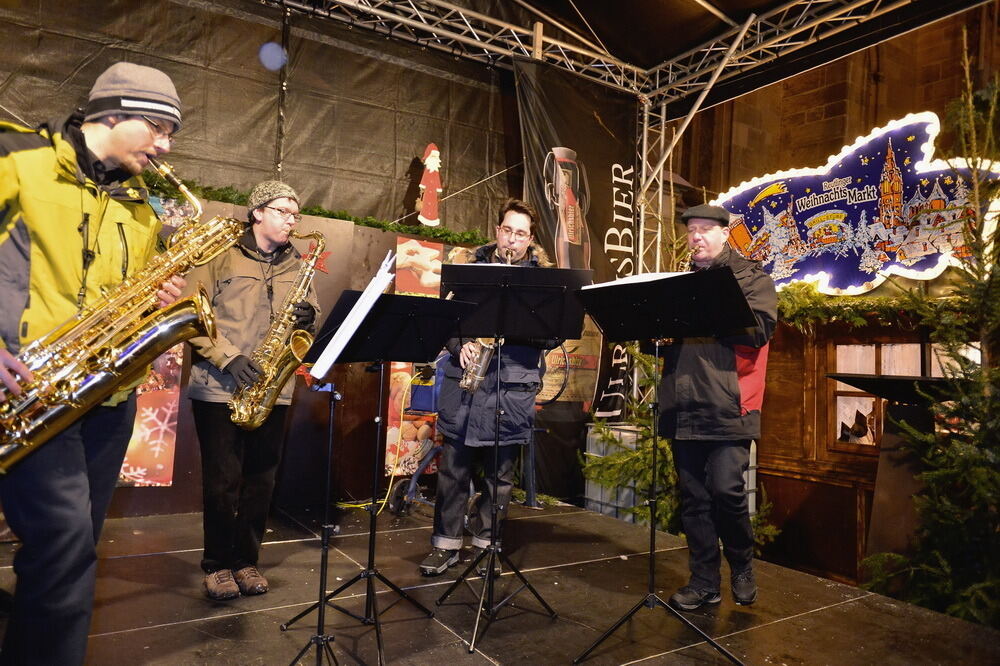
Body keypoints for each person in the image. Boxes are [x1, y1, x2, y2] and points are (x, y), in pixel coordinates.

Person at [0, 62, 186, 664]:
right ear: (111, 111)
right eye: (158, 127)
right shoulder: (17, 160)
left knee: (68, 551)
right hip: (34, 388)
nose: (165, 146)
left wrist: (156, 303)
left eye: (172, 134)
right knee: (64, 543)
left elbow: (121, 297)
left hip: (105, 400)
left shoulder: (142, 208)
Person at [185, 180, 320, 600]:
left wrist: (308, 314)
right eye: (283, 211)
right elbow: (191, 313)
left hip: (272, 388)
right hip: (219, 385)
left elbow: (310, 324)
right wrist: (227, 356)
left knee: (261, 481)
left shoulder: (298, 264)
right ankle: (218, 565)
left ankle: (246, 561)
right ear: (258, 211)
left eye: (295, 214)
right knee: (222, 481)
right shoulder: (219, 255)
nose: (291, 220)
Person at [420, 198, 557, 576]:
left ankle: (487, 546)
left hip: (511, 387)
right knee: (453, 470)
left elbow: (552, 337)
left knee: (499, 476)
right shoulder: (467, 270)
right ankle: (445, 545)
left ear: (531, 240)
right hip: (465, 384)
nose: (512, 240)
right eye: (507, 231)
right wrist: (457, 343)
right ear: (497, 230)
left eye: (521, 234)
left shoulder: (543, 281)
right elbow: (444, 321)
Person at [658, 203, 777, 611]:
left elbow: (759, 332)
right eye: (692, 230)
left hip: (730, 404)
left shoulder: (751, 278)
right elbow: (656, 338)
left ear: (726, 234)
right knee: (694, 500)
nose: (697, 237)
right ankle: (704, 581)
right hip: (683, 403)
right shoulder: (678, 284)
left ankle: (741, 566)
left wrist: (707, 307)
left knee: (726, 492)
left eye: (706, 229)